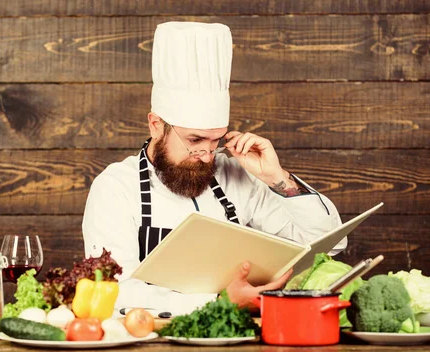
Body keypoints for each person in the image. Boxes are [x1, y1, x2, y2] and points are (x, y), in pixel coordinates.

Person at [82, 21, 346, 316]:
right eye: (195, 140)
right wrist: (219, 303)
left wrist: (277, 178)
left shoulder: (236, 175)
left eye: (216, 141)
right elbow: (113, 292)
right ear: (156, 126)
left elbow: (329, 245)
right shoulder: (116, 188)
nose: (207, 156)